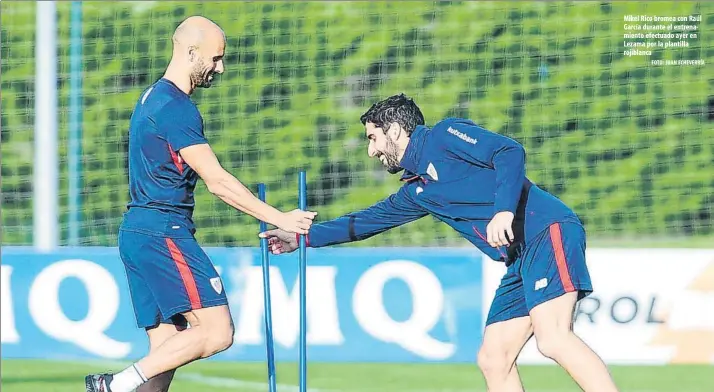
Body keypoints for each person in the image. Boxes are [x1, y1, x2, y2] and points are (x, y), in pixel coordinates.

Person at [260, 94, 619, 392]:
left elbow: (509, 152)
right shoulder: (416, 189)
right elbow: (367, 222)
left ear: (396, 130)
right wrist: (300, 238)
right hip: (519, 256)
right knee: (494, 358)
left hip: (546, 230)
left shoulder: (445, 135)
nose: (371, 151)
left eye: (373, 138)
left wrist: (503, 212)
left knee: (553, 338)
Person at [85, 16, 317, 392]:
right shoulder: (174, 106)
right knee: (216, 330)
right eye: (215, 58)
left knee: (163, 358)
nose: (219, 67)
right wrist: (282, 218)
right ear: (191, 52)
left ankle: (123, 385)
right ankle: (113, 385)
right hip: (163, 231)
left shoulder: (151, 97)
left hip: (138, 232)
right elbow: (219, 182)